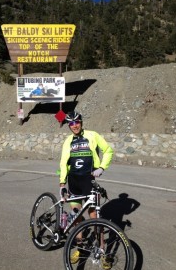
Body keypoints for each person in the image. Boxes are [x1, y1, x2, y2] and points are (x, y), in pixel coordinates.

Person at [59, 111, 114, 265]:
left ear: (81, 122)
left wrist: (102, 167)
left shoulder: (93, 135)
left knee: (95, 218)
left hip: (88, 181)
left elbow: (108, 150)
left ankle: (102, 252)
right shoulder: (68, 141)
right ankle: (81, 248)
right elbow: (63, 163)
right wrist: (62, 184)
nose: (74, 125)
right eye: (71, 123)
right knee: (76, 217)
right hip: (73, 182)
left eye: (77, 122)